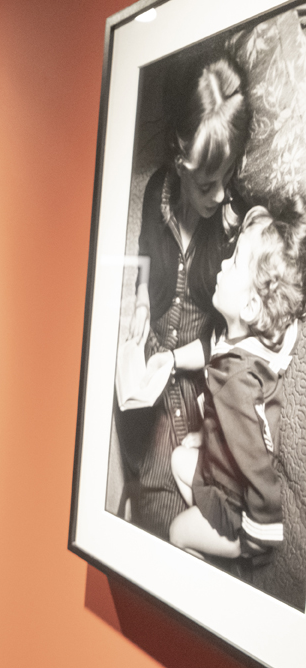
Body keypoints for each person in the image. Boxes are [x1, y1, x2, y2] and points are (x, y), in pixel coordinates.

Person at [116, 56, 251, 539]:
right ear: (179, 161)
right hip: (150, 373)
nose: (217, 196)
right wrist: (139, 303)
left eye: (227, 178)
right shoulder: (157, 192)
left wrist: (174, 359)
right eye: (206, 184)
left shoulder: (234, 224)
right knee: (138, 471)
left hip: (194, 384)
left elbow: (225, 342)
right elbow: (144, 256)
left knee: (169, 506)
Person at [169, 205, 304, 560]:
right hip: (217, 473)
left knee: (176, 532)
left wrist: (260, 531)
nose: (224, 263)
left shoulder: (240, 383)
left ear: (250, 307)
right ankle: (210, 531)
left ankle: (227, 551)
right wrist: (204, 436)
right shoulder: (234, 336)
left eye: (235, 261)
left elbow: (258, 460)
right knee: (178, 459)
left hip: (237, 507)